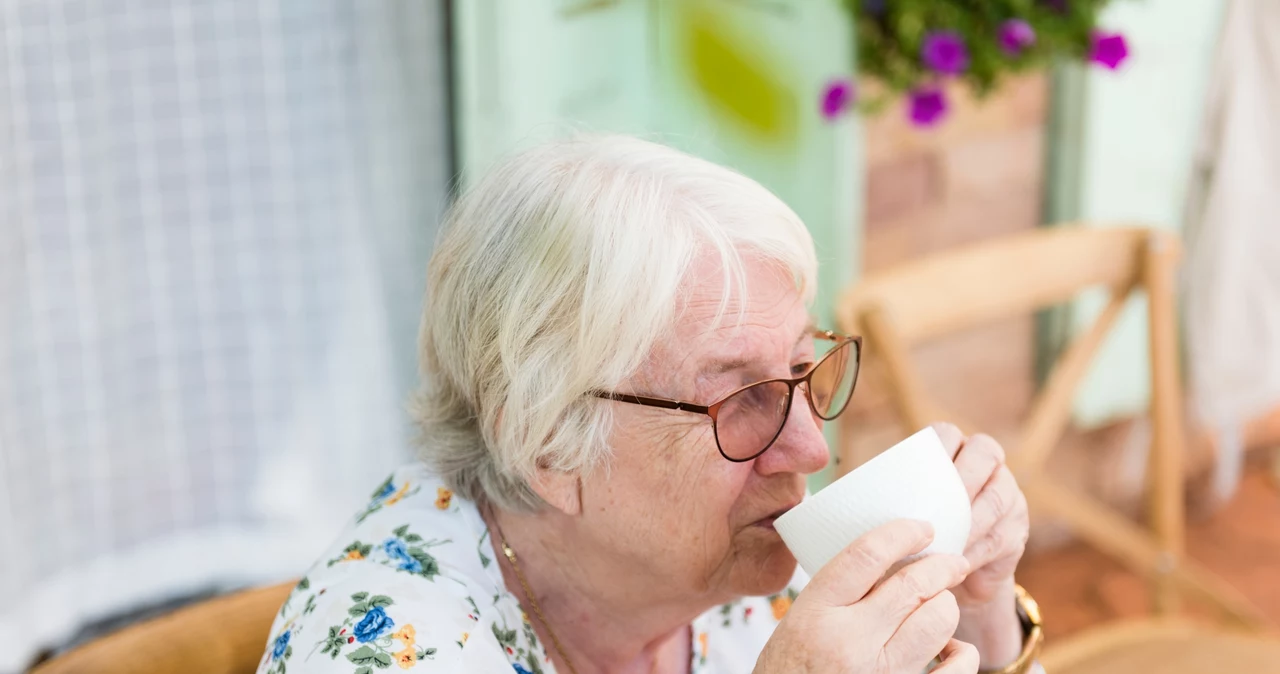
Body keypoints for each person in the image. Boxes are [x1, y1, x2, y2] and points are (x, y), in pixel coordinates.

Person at [256, 135, 1040, 674]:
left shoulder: (726, 570)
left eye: (803, 368)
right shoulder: (386, 648)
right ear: (550, 446)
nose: (809, 450)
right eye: (741, 399)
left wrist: (978, 618)